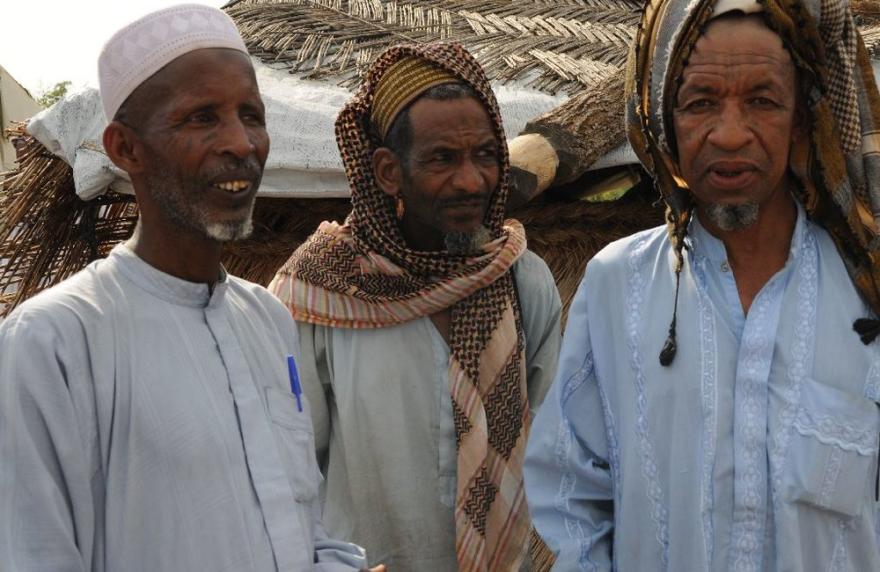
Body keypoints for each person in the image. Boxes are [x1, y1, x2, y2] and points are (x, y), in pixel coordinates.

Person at [0, 5, 375, 571]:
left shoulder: (267, 319)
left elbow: (299, 527)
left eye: (252, 115)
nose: (242, 143)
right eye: (202, 118)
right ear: (125, 149)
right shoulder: (53, 339)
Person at [525, 0, 880, 569]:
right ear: (661, 120)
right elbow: (571, 497)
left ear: (801, 121)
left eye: (762, 102)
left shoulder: (867, 292)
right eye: (700, 103)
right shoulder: (617, 286)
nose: (732, 134)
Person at [269, 43, 562, 571]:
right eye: (442, 159)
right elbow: (283, 473)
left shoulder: (522, 281)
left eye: (486, 155)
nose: (471, 181)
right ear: (387, 170)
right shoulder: (317, 294)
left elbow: (554, 452)